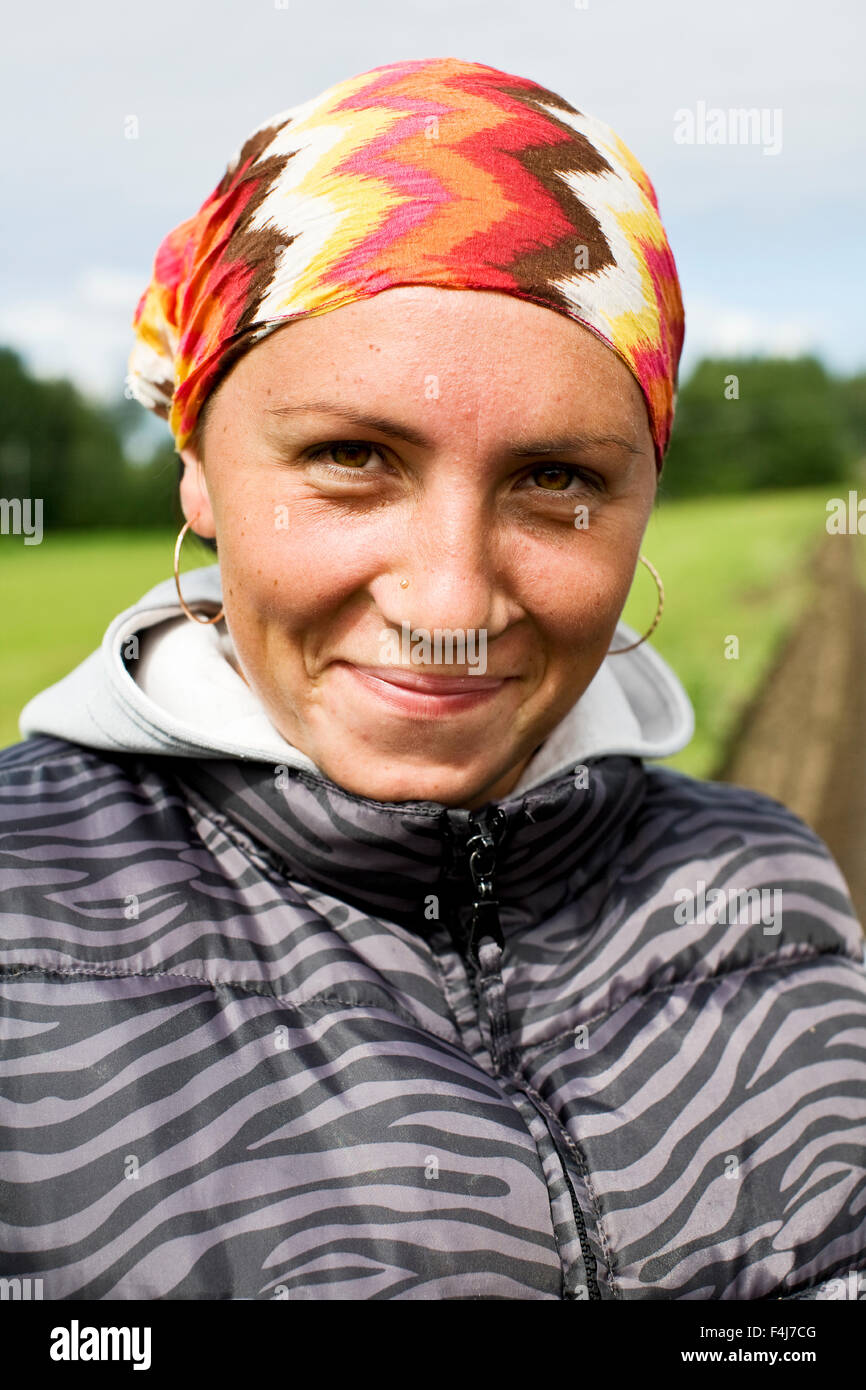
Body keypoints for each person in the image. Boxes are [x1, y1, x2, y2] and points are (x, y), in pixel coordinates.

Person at [1, 56, 864, 1302]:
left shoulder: (761, 880)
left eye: (557, 478)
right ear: (196, 462)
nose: (451, 603)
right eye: (351, 455)